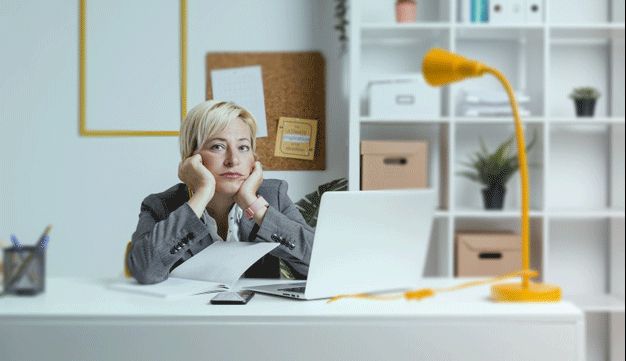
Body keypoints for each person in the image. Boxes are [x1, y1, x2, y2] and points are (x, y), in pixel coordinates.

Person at [127, 100, 314, 284]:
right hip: (189, 313)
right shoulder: (161, 205)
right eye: (218, 146)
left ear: (253, 159)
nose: (233, 160)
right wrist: (202, 193)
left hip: (255, 312)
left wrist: (254, 205)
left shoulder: (273, 196)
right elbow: (145, 271)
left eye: (243, 147)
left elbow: (318, 262)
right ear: (191, 158)